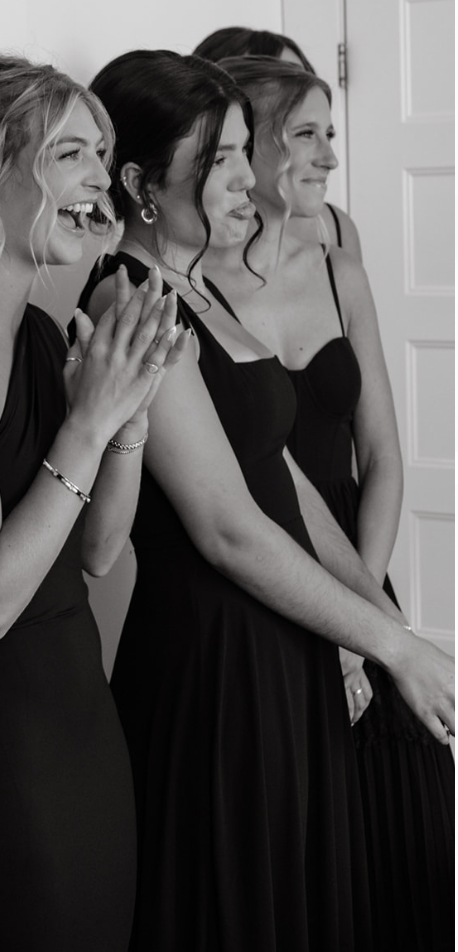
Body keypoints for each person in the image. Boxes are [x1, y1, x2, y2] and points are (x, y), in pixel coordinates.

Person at [77, 48, 454, 952]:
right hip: (218, 668)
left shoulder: (198, 285)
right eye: (219, 161)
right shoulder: (132, 298)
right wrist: (388, 647)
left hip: (284, 644)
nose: (248, 179)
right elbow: (227, 527)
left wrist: (380, 619)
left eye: (247, 151)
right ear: (140, 184)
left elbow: (285, 481)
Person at [0, 55, 188, 952]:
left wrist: (128, 415)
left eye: (103, 155)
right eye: (70, 154)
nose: (100, 178)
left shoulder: (44, 331)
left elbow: (98, 550)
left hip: (78, 717)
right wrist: (87, 424)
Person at [203, 54, 455, 952]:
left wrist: (365, 622)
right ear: (252, 149)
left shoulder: (341, 264)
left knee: (414, 828)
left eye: (331, 134)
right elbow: (243, 494)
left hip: (358, 565)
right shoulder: (198, 286)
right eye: (305, 134)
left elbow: (382, 455)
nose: (328, 157)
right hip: (266, 581)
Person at [192, 25, 362, 259]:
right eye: (266, 72)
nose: (293, 85)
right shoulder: (187, 247)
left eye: (295, 74)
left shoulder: (336, 237)